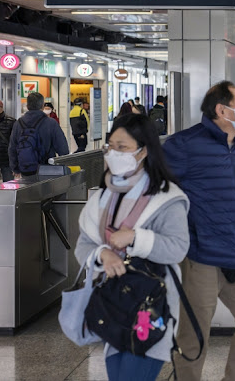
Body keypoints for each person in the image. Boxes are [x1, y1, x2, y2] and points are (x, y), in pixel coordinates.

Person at [163, 81, 235, 381]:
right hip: (202, 257)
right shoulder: (184, 145)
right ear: (222, 109)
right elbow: (153, 186)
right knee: (194, 334)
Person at [74, 113, 189, 381]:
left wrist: (136, 238)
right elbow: (84, 245)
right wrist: (102, 253)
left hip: (151, 307)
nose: (113, 153)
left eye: (122, 147)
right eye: (110, 146)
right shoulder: (103, 196)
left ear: (143, 151)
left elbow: (177, 248)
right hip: (112, 305)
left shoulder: (167, 198)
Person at [9, 92, 69, 176]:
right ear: (42, 106)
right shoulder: (51, 123)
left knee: (28, 188)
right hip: (47, 169)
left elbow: (12, 147)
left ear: (27, 106)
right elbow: (63, 148)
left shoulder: (18, 123)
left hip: (26, 169)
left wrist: (15, 168)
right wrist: (64, 166)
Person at [0, 99, 15, 183]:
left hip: (6, 159)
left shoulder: (11, 121)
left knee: (9, 185)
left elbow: (15, 141)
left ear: (1, 109)